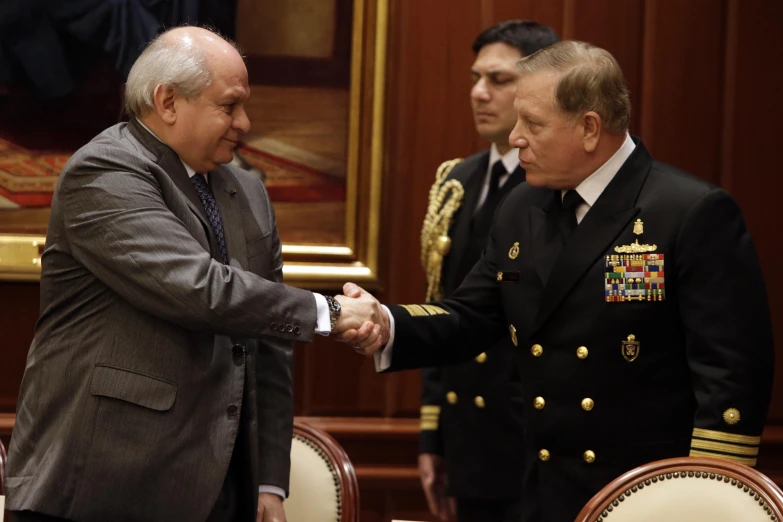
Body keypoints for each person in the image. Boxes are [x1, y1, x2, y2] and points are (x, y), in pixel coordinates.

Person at [337, 40, 775, 522]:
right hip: (544, 490)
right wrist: (386, 321)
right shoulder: (523, 205)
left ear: (589, 127)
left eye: (534, 124)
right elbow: (471, 315)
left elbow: (730, 379)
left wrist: (707, 498)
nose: (516, 136)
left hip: (649, 497)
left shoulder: (688, 212)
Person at [4, 26, 387, 522]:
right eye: (229, 107)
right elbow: (197, 288)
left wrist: (268, 479)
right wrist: (331, 311)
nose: (245, 123)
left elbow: (268, 346)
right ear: (167, 101)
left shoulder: (247, 190)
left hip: (222, 488)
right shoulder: (104, 171)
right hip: (103, 481)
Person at [417, 20, 558, 522]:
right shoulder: (459, 179)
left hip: (533, 443)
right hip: (469, 444)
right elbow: (442, 308)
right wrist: (434, 434)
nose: (479, 93)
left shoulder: (559, 184)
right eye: (477, 78)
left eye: (498, 80)